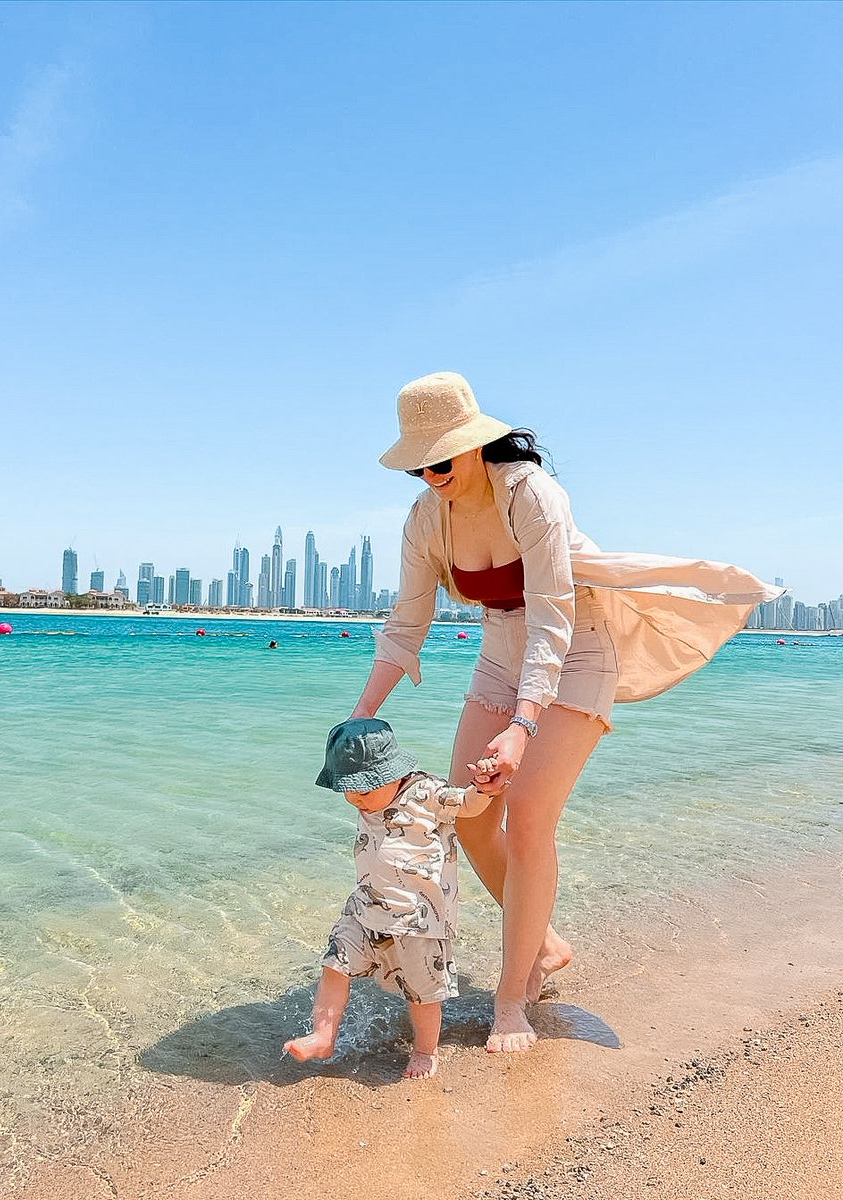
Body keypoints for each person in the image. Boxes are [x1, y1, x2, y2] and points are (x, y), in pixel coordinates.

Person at [350, 371, 782, 1054]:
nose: (431, 476)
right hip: (499, 652)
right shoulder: (426, 519)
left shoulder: (530, 493)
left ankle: (511, 996)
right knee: (468, 814)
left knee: (527, 819)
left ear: (474, 446)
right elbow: (407, 623)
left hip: (575, 649)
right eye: (418, 467)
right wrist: (360, 716)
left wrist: (522, 726)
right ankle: (545, 946)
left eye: (441, 462)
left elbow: (552, 618)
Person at [283, 717, 498, 1079]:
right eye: (348, 791)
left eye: (363, 790)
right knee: (335, 963)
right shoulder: (366, 801)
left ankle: (425, 1050)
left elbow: (468, 805)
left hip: (418, 920)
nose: (356, 799)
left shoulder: (427, 792)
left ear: (392, 775)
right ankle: (323, 1036)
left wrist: (483, 786)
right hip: (365, 907)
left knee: (422, 993)